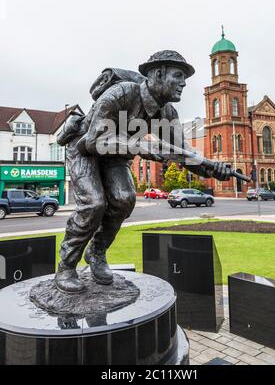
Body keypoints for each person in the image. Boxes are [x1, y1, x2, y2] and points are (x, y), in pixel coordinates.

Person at [55, 50, 231, 293]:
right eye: (178, 76)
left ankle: (96, 253)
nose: (183, 83)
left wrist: (212, 168)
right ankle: (66, 265)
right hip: (85, 149)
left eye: (185, 79)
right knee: (94, 203)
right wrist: (143, 146)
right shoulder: (121, 93)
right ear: (157, 74)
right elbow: (93, 141)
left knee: (125, 199)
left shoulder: (167, 113)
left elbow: (184, 152)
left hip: (116, 156)